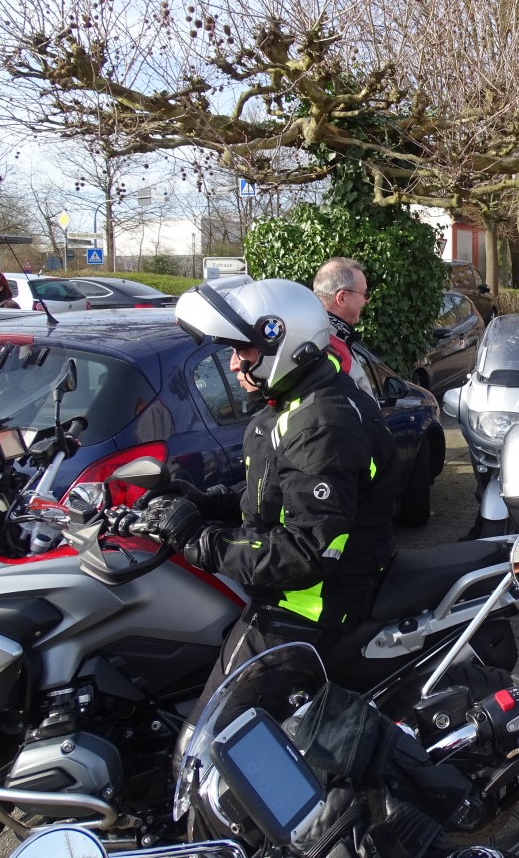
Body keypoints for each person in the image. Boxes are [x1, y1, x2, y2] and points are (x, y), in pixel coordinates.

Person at [140, 278, 400, 712]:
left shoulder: (321, 424)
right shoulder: (298, 399)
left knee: (205, 741)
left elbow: (306, 550)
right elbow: (278, 494)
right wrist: (204, 502)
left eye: (243, 352)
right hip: (289, 586)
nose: (233, 364)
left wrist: (198, 540)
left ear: (285, 344)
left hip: (306, 605)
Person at [312, 257, 374, 395]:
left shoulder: (310, 334)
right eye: (365, 294)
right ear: (342, 298)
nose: (367, 300)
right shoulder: (327, 345)